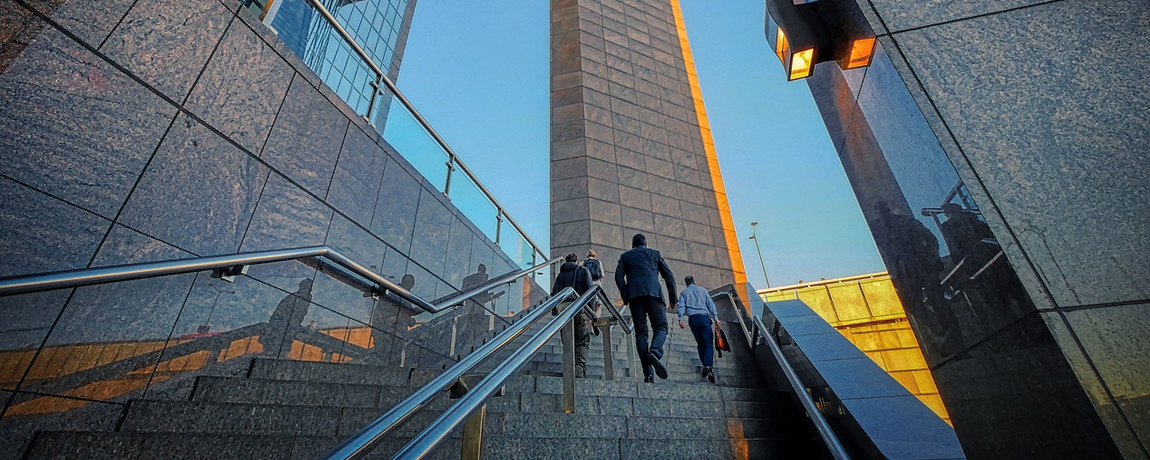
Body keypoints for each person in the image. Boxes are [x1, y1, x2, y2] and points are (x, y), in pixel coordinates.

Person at [615, 233, 676, 382]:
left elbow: (618, 276)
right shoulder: (655, 254)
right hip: (654, 294)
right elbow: (668, 276)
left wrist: (626, 294)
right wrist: (673, 298)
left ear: (632, 245)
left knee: (641, 334)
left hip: (635, 297)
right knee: (661, 328)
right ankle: (655, 351)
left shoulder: (625, 256)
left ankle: (648, 374)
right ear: (645, 244)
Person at [552, 253, 594, 378]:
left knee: (568, 341)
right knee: (582, 341)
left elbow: (555, 293)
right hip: (580, 309)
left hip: (564, 312)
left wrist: (555, 312)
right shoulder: (583, 270)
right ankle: (580, 365)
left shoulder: (560, 275)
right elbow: (590, 291)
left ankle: (569, 367)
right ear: (577, 260)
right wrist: (591, 312)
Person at [677, 275, 720, 383]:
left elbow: (681, 306)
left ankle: (705, 366)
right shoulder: (702, 290)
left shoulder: (684, 293)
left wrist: (681, 319)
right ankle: (708, 366)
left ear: (686, 283)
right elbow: (710, 304)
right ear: (694, 281)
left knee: (700, 344)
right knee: (708, 343)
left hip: (693, 319)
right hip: (704, 318)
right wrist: (716, 318)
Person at [583, 249, 604, 317]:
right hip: (597, 284)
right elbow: (602, 274)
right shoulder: (598, 262)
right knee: (598, 305)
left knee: (588, 302)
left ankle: (589, 318)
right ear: (594, 255)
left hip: (587, 284)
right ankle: (595, 318)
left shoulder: (583, 263)